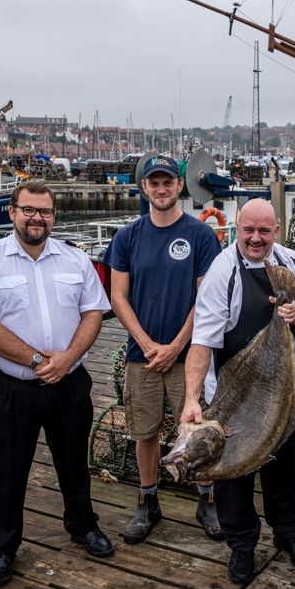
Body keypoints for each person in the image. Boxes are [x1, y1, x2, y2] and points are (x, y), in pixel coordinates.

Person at [0, 181, 114, 589]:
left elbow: (93, 313)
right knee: (7, 470)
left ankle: (82, 525)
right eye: (28, 210)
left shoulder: (75, 260)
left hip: (70, 381)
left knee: (74, 462)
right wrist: (36, 360)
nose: (36, 218)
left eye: (44, 211)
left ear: (53, 217)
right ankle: (3, 547)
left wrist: (65, 360)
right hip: (13, 386)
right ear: (12, 212)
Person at [181, 198, 295, 584]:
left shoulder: (292, 263)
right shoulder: (221, 271)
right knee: (232, 477)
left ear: (276, 230)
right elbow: (202, 340)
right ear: (237, 230)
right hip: (233, 393)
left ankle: (289, 534)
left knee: (288, 472)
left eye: (264, 231)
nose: (256, 238)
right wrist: (193, 398)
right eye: (248, 230)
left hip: (283, 389)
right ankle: (241, 546)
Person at [107, 154, 224, 543]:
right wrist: (147, 343)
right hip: (142, 356)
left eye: (167, 182)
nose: (161, 189)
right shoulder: (127, 237)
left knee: (197, 429)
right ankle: (148, 500)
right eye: (153, 183)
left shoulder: (201, 236)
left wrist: (175, 346)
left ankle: (206, 499)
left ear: (179, 186)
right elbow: (118, 296)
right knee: (144, 432)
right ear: (144, 188)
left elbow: (205, 299)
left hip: (188, 357)